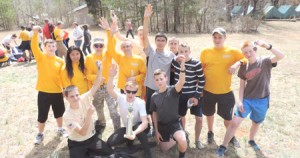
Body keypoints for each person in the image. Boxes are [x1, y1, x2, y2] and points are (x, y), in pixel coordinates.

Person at [215, 41, 285, 156]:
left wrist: (267, 46)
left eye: (250, 51)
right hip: (247, 99)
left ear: (255, 50)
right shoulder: (243, 67)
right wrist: (240, 101)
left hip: (262, 100)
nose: (248, 54)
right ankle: (223, 146)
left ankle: (251, 139)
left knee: (256, 122)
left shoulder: (265, 61)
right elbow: (242, 86)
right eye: (245, 52)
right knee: (234, 123)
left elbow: (281, 56)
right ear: (243, 54)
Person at [200, 27, 246, 147]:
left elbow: (246, 58)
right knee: (209, 115)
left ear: (225, 38)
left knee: (228, 119)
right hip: (208, 91)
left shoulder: (231, 51)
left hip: (225, 92)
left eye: (220, 37)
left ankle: (231, 136)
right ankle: (210, 132)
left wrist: (237, 63)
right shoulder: (206, 51)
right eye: (215, 37)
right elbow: (200, 69)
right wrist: (198, 88)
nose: (217, 40)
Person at [63, 60, 115, 158]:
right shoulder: (67, 116)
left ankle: (92, 153)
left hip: (92, 139)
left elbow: (95, 85)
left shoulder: (84, 98)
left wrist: (99, 69)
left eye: (77, 95)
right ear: (66, 98)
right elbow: (82, 132)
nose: (76, 98)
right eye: (72, 96)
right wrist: (89, 115)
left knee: (110, 153)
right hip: (77, 143)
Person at [143, 4, 176, 136]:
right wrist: (146, 18)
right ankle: (151, 128)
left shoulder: (171, 55)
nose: (160, 42)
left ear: (165, 42)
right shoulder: (150, 52)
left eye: (163, 40)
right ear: (155, 41)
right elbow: (145, 36)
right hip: (151, 86)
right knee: (150, 109)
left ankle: (163, 128)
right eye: (158, 40)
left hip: (164, 88)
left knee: (162, 110)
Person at [30, 25, 67, 145]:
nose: (51, 47)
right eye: (48, 46)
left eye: (53, 46)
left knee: (59, 112)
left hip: (57, 92)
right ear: (45, 48)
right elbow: (34, 47)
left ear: (56, 47)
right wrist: (35, 33)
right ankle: (40, 133)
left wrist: (65, 89)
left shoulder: (60, 61)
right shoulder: (41, 57)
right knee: (42, 114)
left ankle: (60, 128)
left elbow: (63, 77)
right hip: (44, 92)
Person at [106, 64, 152, 158]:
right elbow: (110, 90)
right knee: (111, 142)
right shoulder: (121, 98)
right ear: (125, 90)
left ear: (136, 91)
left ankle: (147, 151)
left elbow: (144, 123)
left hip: (138, 127)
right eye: (128, 91)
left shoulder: (140, 102)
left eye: (134, 92)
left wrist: (134, 133)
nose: (131, 94)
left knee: (139, 130)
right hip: (127, 127)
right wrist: (111, 76)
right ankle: (130, 142)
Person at [85, 26, 121, 135]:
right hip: (96, 89)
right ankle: (101, 124)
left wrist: (109, 31)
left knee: (113, 111)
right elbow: (87, 74)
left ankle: (118, 131)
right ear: (93, 46)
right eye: (96, 45)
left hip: (109, 87)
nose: (99, 47)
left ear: (104, 46)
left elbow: (112, 43)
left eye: (101, 45)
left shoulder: (108, 54)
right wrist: (97, 78)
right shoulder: (89, 58)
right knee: (99, 109)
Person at [100, 17, 146, 98]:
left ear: (132, 47)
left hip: (136, 88)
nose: (126, 48)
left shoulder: (139, 59)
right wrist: (109, 31)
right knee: (124, 108)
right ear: (121, 49)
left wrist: (135, 78)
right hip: (123, 87)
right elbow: (110, 49)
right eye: (124, 47)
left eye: (128, 46)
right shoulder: (120, 57)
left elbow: (144, 74)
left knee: (135, 108)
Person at [172, 43, 205, 149]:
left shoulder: (196, 63)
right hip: (180, 96)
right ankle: (183, 137)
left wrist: (196, 96)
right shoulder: (175, 63)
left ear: (190, 52)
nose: (184, 54)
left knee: (199, 119)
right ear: (178, 52)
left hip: (193, 95)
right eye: (181, 51)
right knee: (181, 117)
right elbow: (172, 59)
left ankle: (197, 140)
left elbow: (202, 80)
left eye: (186, 51)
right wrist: (176, 58)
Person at [150, 63, 187, 158]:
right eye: (157, 80)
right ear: (154, 82)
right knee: (164, 149)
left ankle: (181, 154)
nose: (159, 82)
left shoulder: (173, 90)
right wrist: (156, 130)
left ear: (166, 78)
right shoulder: (154, 96)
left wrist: (182, 67)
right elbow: (154, 113)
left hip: (174, 123)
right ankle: (174, 139)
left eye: (161, 79)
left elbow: (181, 81)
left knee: (182, 140)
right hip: (162, 125)